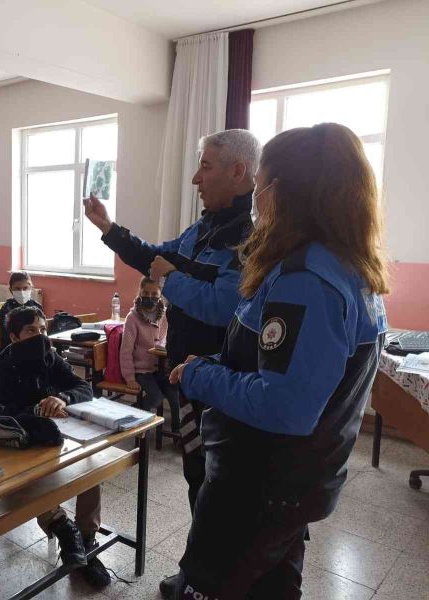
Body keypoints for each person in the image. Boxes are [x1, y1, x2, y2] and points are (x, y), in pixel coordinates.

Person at [161, 123, 389, 599]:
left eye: (260, 184)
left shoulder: (306, 281)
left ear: (280, 192)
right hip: (290, 482)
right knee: (272, 582)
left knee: (211, 584)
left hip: (262, 485)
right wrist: (222, 360)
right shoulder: (342, 266)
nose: (256, 199)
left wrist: (202, 375)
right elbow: (277, 357)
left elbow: (284, 405)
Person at [84, 129, 261, 517]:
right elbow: (155, 256)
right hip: (187, 373)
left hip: (219, 382)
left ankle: (210, 570)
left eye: (205, 167)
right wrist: (109, 229)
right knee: (195, 472)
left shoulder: (249, 236)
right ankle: (199, 565)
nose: (196, 179)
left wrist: (169, 278)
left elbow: (222, 306)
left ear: (238, 171)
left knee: (216, 480)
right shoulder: (204, 228)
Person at [0, 306, 110, 588]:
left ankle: (86, 541)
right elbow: (3, 414)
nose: (40, 336)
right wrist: (35, 409)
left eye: (43, 330)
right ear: (14, 336)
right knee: (36, 482)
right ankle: (63, 528)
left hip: (56, 436)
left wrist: (63, 397)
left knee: (90, 468)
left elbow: (84, 388)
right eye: (31, 331)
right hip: (25, 441)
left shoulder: (50, 357)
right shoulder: (5, 369)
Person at [120, 277, 176, 425]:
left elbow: (165, 339)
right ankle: (127, 417)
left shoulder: (164, 315)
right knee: (156, 398)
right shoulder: (132, 318)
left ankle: (178, 435)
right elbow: (126, 351)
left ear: (160, 295)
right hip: (141, 370)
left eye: (154, 294)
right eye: (145, 293)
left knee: (174, 393)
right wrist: (130, 378)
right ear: (140, 293)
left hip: (160, 367)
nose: (149, 297)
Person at [0, 271, 43, 352]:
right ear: (11, 290)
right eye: (17, 289)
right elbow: (8, 334)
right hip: (12, 348)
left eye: (25, 288)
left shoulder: (37, 306)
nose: (22, 292)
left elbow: (42, 328)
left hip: (35, 345)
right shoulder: (6, 308)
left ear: (31, 288)